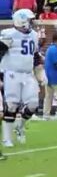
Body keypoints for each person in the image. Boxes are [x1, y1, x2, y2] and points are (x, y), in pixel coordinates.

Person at [0, 9, 40, 149]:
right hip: (11, 73)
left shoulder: (34, 35)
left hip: (28, 74)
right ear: (21, 21)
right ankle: (6, 138)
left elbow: (35, 56)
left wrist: (40, 72)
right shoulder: (8, 34)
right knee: (11, 105)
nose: (31, 23)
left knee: (33, 104)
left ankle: (20, 125)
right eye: (29, 20)